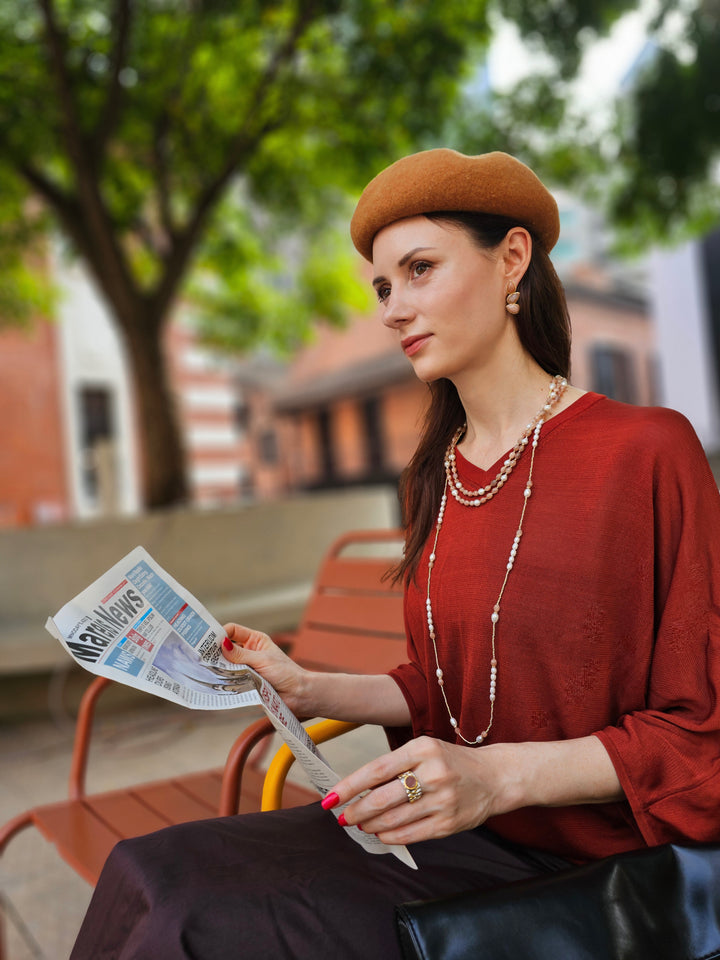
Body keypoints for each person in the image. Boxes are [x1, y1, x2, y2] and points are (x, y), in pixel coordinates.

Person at [70, 149, 720, 959]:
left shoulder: (647, 451)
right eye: (383, 286)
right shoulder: (436, 476)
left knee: (193, 926)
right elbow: (442, 686)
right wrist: (306, 685)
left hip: (594, 872)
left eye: (419, 269)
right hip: (441, 832)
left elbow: (702, 735)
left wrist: (496, 779)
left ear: (512, 260)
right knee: (145, 870)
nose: (391, 309)